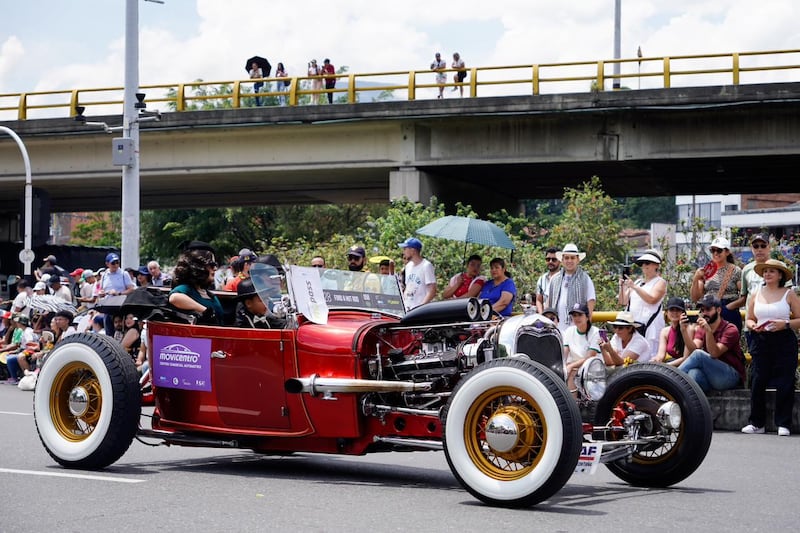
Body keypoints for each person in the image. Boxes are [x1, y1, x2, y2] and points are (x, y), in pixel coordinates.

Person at [742, 259, 800, 436]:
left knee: (785, 381)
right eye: (765, 271)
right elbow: (749, 318)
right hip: (761, 339)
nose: (767, 274)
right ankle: (757, 423)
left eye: (772, 271)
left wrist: (785, 324)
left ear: (780, 275)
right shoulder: (756, 294)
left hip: (784, 339)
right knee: (758, 380)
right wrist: (753, 326)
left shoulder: (789, 294)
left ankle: (784, 423)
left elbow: (799, 319)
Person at [678, 294, 745, 393]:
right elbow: (693, 349)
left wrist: (708, 332)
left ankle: (668, 380)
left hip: (730, 376)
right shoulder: (702, 328)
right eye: (702, 310)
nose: (704, 313)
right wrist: (684, 331)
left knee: (699, 355)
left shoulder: (730, 329)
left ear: (718, 310)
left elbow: (714, 353)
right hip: (712, 377)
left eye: (708, 309)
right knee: (693, 373)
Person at [618, 249, 667, 356]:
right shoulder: (638, 282)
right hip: (633, 327)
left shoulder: (660, 282)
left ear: (656, 265)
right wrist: (621, 286)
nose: (644, 265)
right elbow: (623, 301)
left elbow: (652, 299)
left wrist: (634, 287)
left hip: (650, 327)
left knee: (649, 356)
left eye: (647, 263)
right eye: (642, 263)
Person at [690, 236, 743, 334]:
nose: (715, 253)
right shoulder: (706, 271)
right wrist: (696, 278)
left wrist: (729, 307)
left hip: (728, 308)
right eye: (712, 250)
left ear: (727, 252)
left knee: (728, 344)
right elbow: (695, 298)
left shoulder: (735, 270)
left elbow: (744, 296)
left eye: (719, 250)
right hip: (709, 309)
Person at [547, 243, 596, 332]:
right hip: (556, 328)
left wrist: (586, 329)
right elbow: (548, 302)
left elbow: (590, 303)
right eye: (566, 258)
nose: (569, 261)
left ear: (578, 260)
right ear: (562, 260)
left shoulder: (585, 279)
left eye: (572, 258)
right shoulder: (554, 279)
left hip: (577, 329)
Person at [169, 246, 224, 326]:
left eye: (215, 265)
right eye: (212, 265)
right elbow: (174, 298)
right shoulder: (186, 289)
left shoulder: (210, 295)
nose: (215, 268)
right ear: (199, 267)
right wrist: (204, 311)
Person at [562, 303, 603, 392]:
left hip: (592, 369)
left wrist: (570, 367)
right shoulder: (569, 331)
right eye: (574, 315)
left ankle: (573, 403)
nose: (576, 318)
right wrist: (563, 366)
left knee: (571, 372)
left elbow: (589, 357)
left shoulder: (595, 332)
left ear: (587, 317)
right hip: (575, 367)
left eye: (580, 315)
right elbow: (564, 354)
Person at [652, 297, 696, 367]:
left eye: (678, 310)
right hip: (671, 365)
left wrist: (665, 366)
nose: (674, 313)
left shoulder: (689, 329)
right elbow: (661, 356)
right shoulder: (665, 331)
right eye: (671, 310)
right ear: (667, 312)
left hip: (687, 365)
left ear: (683, 313)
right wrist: (655, 361)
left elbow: (686, 358)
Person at [398, 237, 436, 310]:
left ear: (413, 250)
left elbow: (432, 291)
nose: (403, 252)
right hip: (407, 308)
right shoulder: (408, 266)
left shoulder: (426, 266)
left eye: (405, 249)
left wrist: (420, 308)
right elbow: (407, 287)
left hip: (419, 310)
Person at [535, 247, 561, 313]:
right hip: (545, 317)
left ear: (560, 260)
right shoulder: (541, 279)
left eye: (554, 259)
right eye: (548, 259)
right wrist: (542, 316)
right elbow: (538, 300)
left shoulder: (565, 278)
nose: (550, 262)